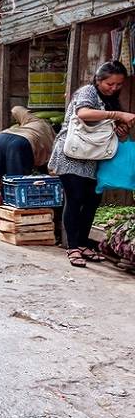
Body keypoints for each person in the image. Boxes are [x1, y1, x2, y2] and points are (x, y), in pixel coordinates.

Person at [48, 61, 135, 267]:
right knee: (75, 198)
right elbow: (83, 114)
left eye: (119, 85)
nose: (114, 88)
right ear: (98, 80)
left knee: (92, 201)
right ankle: (72, 247)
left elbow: (106, 131)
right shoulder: (87, 92)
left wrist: (119, 130)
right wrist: (118, 115)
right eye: (109, 84)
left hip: (93, 158)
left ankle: (84, 244)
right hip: (71, 156)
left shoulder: (110, 100)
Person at [0, 106, 56, 224]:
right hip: (21, 144)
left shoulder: (33, 120)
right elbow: (48, 165)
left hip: (0, 138)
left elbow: (16, 109)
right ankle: (14, 218)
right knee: (16, 182)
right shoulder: (54, 140)